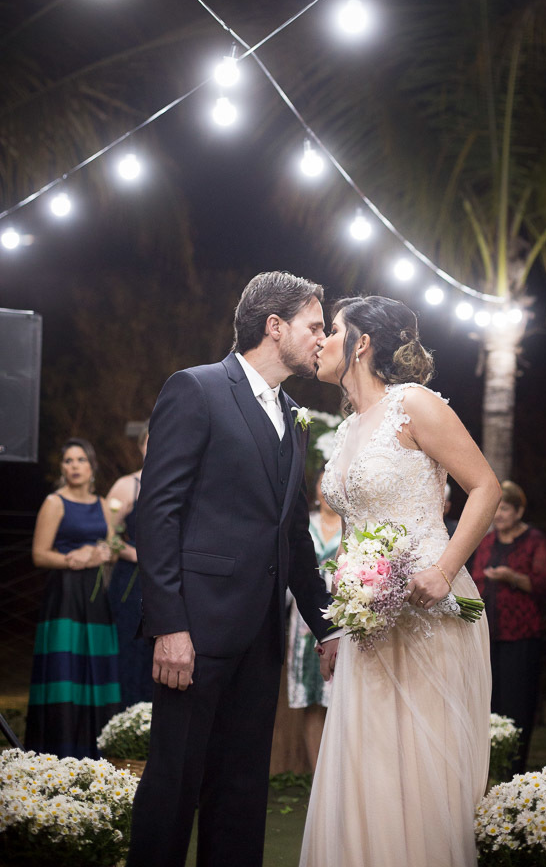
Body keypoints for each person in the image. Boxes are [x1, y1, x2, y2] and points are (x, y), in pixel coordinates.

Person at [126, 271, 338, 867]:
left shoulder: (294, 415)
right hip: (194, 634)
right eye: (314, 326)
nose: (322, 339)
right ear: (275, 328)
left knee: (243, 792)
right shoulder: (194, 389)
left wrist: (328, 626)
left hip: (261, 640)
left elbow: (292, 535)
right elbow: (158, 514)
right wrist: (170, 626)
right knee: (174, 786)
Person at [300, 295, 501, 867]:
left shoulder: (414, 405)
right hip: (366, 617)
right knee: (370, 759)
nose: (320, 340)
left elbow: (486, 487)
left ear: (361, 343)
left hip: (428, 609)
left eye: (331, 330)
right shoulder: (347, 427)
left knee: (421, 760)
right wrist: (336, 623)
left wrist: (442, 570)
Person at [24, 438, 121, 758]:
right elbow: (39, 554)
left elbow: (111, 549)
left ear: (92, 467)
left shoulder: (103, 504)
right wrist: (71, 559)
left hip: (95, 600)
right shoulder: (55, 502)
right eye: (68, 460)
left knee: (94, 670)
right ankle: (58, 755)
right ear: (63, 468)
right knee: (64, 674)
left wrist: (100, 552)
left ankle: (96, 758)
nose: (74, 466)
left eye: (81, 459)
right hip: (64, 597)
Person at [471, 480, 546, 774]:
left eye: (504, 508)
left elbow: (545, 585)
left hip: (521, 637)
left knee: (518, 705)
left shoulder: (534, 540)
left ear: (519, 510)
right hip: (488, 636)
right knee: (489, 702)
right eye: (496, 509)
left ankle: (515, 770)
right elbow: (475, 579)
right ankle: (490, 769)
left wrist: (512, 577)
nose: (498, 515)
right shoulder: (487, 540)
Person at [286, 467, 341, 770]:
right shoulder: (304, 523)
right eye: (322, 483)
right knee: (311, 702)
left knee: (339, 698)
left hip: (341, 613)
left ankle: (340, 776)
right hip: (302, 622)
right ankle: (316, 776)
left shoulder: (352, 526)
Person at [106, 424, 154, 708]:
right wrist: (135, 555)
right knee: (128, 651)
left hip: (165, 584)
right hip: (130, 583)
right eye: (151, 440)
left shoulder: (182, 484)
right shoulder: (127, 485)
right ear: (141, 445)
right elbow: (108, 536)